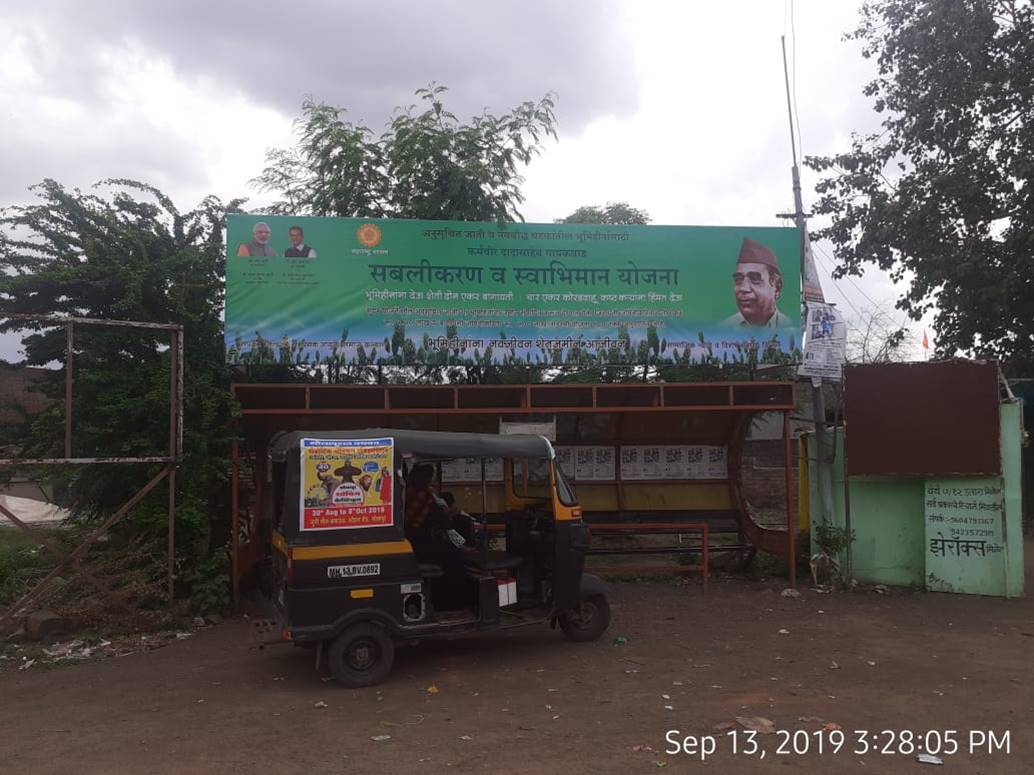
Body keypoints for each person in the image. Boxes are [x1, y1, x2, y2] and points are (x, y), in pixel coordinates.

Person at [404, 464, 466, 609]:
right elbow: (444, 523)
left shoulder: (406, 490)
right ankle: (450, 604)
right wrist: (461, 544)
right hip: (420, 545)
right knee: (455, 560)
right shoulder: (424, 495)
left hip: (409, 543)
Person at [722, 237, 793, 328]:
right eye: (739, 279)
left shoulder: (790, 327)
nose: (744, 288)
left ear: (777, 287)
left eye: (754, 279)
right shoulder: (725, 328)